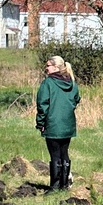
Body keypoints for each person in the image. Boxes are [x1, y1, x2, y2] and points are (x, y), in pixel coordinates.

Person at [33, 55, 80, 191]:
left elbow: (42, 104)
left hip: (52, 124)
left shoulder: (48, 83)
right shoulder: (72, 82)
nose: (46, 68)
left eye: (48, 65)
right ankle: (64, 185)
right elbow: (76, 99)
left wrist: (40, 122)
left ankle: (54, 186)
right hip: (68, 124)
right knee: (64, 153)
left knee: (55, 155)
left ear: (55, 67)